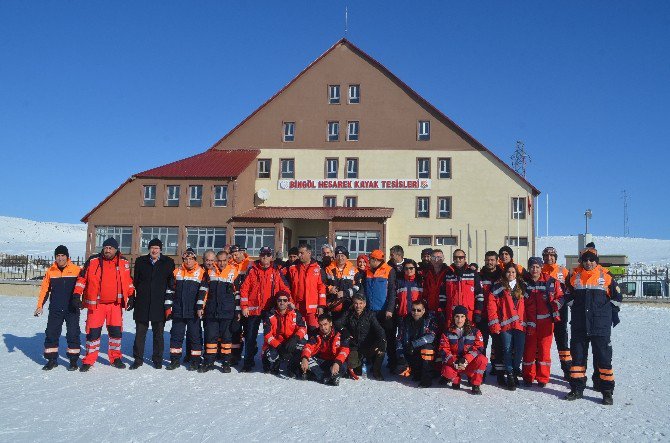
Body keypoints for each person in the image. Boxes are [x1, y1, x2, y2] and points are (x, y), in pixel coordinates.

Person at [563, 246, 621, 405]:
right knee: (578, 359)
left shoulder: (606, 277)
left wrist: (609, 313)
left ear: (596, 261)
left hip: (600, 326)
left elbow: (617, 298)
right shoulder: (575, 277)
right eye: (585, 260)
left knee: (603, 359)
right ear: (581, 261)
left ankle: (607, 391)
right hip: (579, 325)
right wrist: (573, 304)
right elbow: (567, 294)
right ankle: (577, 389)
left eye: (591, 260)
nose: (588, 262)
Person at [75, 238, 134, 372]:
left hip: (115, 306)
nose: (107, 250)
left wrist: (131, 295)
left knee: (116, 334)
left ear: (116, 250)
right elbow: (82, 278)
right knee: (93, 334)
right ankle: (89, 360)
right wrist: (76, 294)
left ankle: (115, 358)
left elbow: (128, 280)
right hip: (96, 305)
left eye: (110, 248)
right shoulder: (93, 261)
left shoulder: (123, 262)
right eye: (106, 247)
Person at [239, 246, 290, 371]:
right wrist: (244, 306)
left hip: (270, 309)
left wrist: (289, 303)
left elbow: (285, 289)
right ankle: (248, 361)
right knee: (250, 336)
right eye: (263, 255)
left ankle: (271, 360)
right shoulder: (252, 270)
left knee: (271, 336)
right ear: (259, 256)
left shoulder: (276, 271)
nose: (265, 257)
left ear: (271, 257)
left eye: (267, 255)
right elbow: (244, 289)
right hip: (253, 309)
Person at [129, 238, 175, 370]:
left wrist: (168, 303)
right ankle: (138, 359)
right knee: (140, 334)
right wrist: (133, 298)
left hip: (159, 304)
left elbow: (170, 284)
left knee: (158, 334)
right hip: (142, 303)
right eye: (152, 247)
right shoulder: (140, 261)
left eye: (157, 248)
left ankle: (157, 359)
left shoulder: (168, 262)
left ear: (161, 249)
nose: (154, 250)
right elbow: (135, 282)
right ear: (149, 249)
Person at [34, 245, 82, 371]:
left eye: (62, 256)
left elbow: (84, 287)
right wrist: (40, 306)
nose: (60, 258)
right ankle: (51, 360)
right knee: (51, 333)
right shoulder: (51, 271)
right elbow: (44, 290)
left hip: (72, 309)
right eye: (58, 256)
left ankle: (73, 361)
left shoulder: (77, 270)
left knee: (73, 334)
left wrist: (83, 302)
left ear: (67, 257)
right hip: (55, 308)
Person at [522, 257, 563, 387]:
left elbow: (561, 296)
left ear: (541, 268)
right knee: (529, 351)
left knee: (544, 351)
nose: (535, 269)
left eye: (537, 267)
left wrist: (556, 304)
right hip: (529, 322)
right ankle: (528, 377)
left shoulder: (551, 282)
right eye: (532, 267)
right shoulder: (523, 282)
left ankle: (543, 378)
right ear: (529, 268)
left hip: (546, 322)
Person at [165, 248, 207, 371]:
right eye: (186, 259)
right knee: (176, 336)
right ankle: (175, 360)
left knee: (195, 337)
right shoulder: (176, 272)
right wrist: (168, 308)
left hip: (194, 311)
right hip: (178, 310)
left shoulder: (201, 272)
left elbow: (203, 292)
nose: (188, 261)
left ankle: (195, 361)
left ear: (195, 260)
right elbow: (170, 290)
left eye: (191, 259)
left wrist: (200, 307)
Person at [199, 250, 240, 373]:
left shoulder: (234, 272)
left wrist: (237, 311)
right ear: (216, 260)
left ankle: (226, 362)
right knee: (211, 337)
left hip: (227, 312)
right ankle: (208, 362)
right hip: (211, 311)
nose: (222, 263)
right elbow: (203, 290)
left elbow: (237, 293)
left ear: (228, 260)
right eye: (219, 260)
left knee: (227, 339)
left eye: (224, 260)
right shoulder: (210, 271)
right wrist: (200, 306)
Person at [488, 262, 526, 390]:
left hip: (520, 325)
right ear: (505, 273)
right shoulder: (498, 287)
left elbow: (530, 305)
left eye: (513, 272)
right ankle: (510, 375)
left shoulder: (523, 286)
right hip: (505, 325)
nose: (511, 274)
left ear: (517, 274)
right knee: (507, 350)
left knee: (519, 351)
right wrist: (495, 324)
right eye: (509, 272)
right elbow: (491, 306)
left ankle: (515, 371)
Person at [359, 249, 397, 370]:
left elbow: (392, 292)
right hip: (371, 311)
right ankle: (373, 361)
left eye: (370, 259)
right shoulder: (368, 272)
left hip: (385, 311)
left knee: (389, 338)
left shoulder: (389, 270)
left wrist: (390, 309)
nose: (369, 261)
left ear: (376, 260)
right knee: (373, 337)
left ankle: (392, 362)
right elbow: (364, 290)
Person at [439, 305, 488, 395]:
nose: (459, 319)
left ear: (466, 318)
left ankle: (475, 384)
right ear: (453, 317)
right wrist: (454, 361)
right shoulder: (447, 333)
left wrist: (466, 359)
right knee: (446, 371)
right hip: (455, 363)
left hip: (469, 363)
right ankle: (455, 380)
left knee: (482, 359)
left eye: (462, 316)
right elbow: (444, 350)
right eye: (457, 316)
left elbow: (479, 348)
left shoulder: (475, 331)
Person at [339, 293, 387, 380]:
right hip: (355, 346)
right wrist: (344, 330)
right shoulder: (348, 314)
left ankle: (376, 371)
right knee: (356, 369)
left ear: (364, 304)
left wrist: (382, 342)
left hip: (368, 345)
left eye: (361, 303)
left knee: (382, 350)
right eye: (356, 303)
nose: (358, 306)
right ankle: (360, 362)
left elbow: (380, 330)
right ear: (353, 304)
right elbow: (338, 323)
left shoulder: (370, 315)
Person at [541, 246, 572, 378]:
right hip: (543, 311)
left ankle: (567, 369)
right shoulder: (539, 269)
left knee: (562, 340)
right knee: (542, 341)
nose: (549, 258)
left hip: (560, 310)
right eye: (546, 255)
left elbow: (569, 291)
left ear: (556, 257)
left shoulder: (563, 271)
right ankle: (540, 369)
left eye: (552, 255)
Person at [262, 291, 307, 376]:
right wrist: (278, 346)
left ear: (288, 301)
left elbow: (303, 328)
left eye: (285, 300)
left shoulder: (295, 313)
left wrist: (295, 338)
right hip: (276, 343)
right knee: (271, 355)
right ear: (276, 301)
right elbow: (267, 335)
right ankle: (276, 363)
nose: (282, 302)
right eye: (279, 300)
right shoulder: (269, 315)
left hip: (290, 341)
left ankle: (292, 366)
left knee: (302, 346)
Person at [286, 244, 327, 334]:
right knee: (297, 332)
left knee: (314, 333)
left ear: (309, 253)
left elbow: (322, 288)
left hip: (312, 308)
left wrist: (321, 306)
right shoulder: (292, 268)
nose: (299, 255)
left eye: (302, 253)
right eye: (299, 253)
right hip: (296, 307)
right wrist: (289, 301)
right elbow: (286, 287)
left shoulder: (318, 269)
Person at [396, 300, 437, 388]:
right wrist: (401, 355)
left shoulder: (429, 320)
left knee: (428, 348)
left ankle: (427, 378)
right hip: (410, 351)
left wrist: (414, 344)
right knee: (399, 369)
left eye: (419, 310)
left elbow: (431, 336)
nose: (416, 312)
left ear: (423, 311)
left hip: (421, 350)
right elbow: (399, 338)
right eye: (414, 310)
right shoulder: (405, 320)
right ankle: (416, 372)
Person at [300, 313, 350, 385]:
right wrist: (304, 358)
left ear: (330, 323)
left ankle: (320, 375)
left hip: (334, 360)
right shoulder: (316, 334)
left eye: (325, 324)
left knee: (343, 366)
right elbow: (308, 346)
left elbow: (344, 350)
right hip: (320, 360)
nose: (323, 328)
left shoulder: (339, 334)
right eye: (321, 325)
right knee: (306, 358)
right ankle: (324, 377)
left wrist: (337, 363)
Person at [444, 249, 484, 329]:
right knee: (452, 338)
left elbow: (479, 295)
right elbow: (442, 295)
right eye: (455, 257)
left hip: (469, 314)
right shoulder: (448, 274)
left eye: (460, 257)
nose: (458, 259)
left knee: (468, 338)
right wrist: (441, 310)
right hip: (452, 314)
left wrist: (478, 311)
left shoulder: (473, 274)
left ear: (465, 259)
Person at [479, 251, 502, 379]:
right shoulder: (479, 276)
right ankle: (480, 372)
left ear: (497, 261)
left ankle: (498, 371)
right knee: (482, 345)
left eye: (492, 260)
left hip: (498, 317)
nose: (490, 262)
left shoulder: (502, 276)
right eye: (488, 260)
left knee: (498, 345)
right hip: (482, 316)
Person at [228, 245, 251, 364]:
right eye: (232, 255)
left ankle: (249, 356)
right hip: (235, 302)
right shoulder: (230, 265)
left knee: (249, 331)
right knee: (235, 330)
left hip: (248, 303)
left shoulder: (250, 264)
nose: (234, 257)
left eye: (236, 254)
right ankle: (235, 355)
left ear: (242, 253)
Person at [324, 246, 357, 326]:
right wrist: (329, 288)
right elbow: (322, 284)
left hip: (348, 305)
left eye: (342, 255)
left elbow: (357, 287)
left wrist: (345, 293)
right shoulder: (328, 269)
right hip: (332, 305)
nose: (340, 258)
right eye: (338, 255)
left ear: (347, 257)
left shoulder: (353, 269)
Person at [421, 249, 449, 317]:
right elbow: (425, 290)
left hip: (445, 309)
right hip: (431, 309)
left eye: (439, 257)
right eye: (434, 257)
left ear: (443, 258)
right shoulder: (427, 273)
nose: (436, 260)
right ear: (431, 259)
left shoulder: (449, 272)